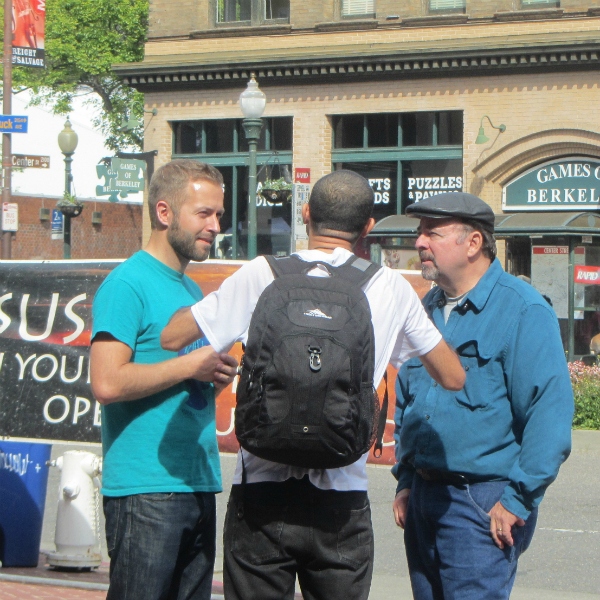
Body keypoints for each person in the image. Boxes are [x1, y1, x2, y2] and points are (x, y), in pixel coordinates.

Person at [161, 170, 466, 600]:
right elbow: (453, 377)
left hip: (260, 495)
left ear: (305, 214)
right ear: (368, 228)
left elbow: (172, 337)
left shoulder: (261, 273)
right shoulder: (390, 288)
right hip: (341, 501)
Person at [392, 192, 574, 600]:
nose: (419, 242)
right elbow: (409, 396)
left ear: (473, 243)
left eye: (432, 233)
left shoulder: (523, 310)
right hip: (425, 497)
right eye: (420, 232)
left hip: (481, 501)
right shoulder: (430, 306)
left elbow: (550, 415)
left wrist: (516, 501)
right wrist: (406, 480)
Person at [90, 159, 238, 600]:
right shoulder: (127, 284)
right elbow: (107, 383)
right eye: (204, 214)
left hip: (196, 483)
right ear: (164, 212)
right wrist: (190, 367)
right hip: (145, 490)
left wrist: (213, 377)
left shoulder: (191, 290)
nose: (215, 225)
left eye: (218, 215)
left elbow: (179, 386)